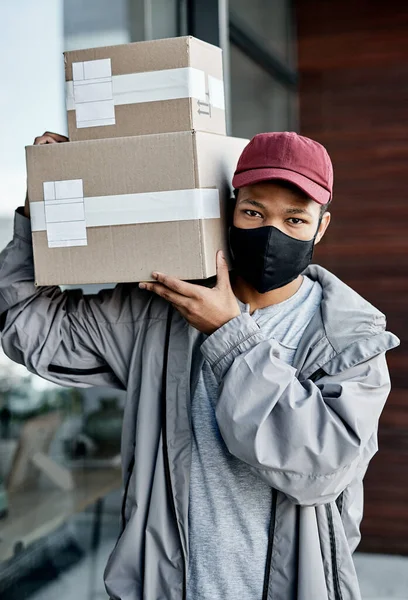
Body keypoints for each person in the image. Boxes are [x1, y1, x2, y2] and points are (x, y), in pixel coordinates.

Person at [0, 131, 399, 600]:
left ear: (321, 227)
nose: (271, 234)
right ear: (229, 209)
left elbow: (319, 471)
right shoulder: (160, 311)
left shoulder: (350, 340)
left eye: (295, 220)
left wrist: (229, 336)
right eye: (253, 212)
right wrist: (35, 210)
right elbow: (29, 326)